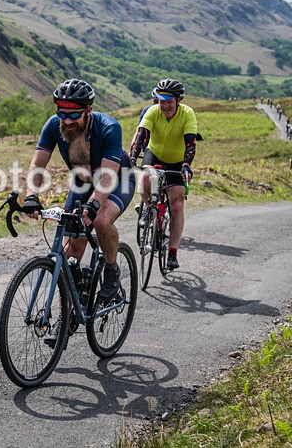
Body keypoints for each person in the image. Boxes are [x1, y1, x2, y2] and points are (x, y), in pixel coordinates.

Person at [19, 79, 135, 326]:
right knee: (71, 251)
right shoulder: (54, 126)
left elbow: (108, 175)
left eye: (73, 114)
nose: (67, 120)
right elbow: (37, 164)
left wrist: (93, 205)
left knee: (102, 219)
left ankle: (112, 270)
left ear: (88, 111)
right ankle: (69, 312)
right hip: (82, 184)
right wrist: (31, 196)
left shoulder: (108, 127)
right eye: (62, 113)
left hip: (117, 180)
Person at [129, 78, 197, 270]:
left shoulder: (187, 114)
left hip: (177, 160)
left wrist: (186, 164)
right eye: (162, 101)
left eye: (169, 102)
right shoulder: (152, 112)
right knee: (144, 178)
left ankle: (173, 252)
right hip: (155, 154)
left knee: (176, 205)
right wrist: (133, 158)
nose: (165, 105)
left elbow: (191, 143)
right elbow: (141, 135)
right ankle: (148, 207)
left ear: (178, 101)